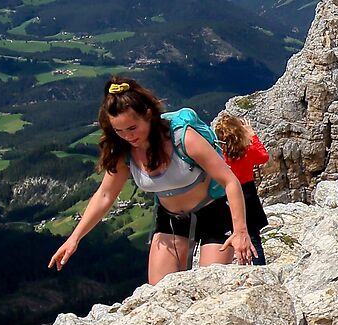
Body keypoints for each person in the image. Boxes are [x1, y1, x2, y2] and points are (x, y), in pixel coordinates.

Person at [49, 77, 254, 285]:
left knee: (210, 288)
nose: (127, 136)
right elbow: (105, 195)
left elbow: (229, 181)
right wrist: (74, 239)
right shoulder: (123, 152)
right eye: (118, 131)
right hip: (170, 222)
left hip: (214, 216)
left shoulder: (183, 138)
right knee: (161, 293)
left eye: (132, 128)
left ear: (148, 114)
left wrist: (240, 232)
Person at [212, 111, 270, 266]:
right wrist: (252, 136)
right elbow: (264, 157)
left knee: (230, 234)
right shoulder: (247, 151)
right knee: (254, 239)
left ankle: (239, 264)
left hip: (227, 198)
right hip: (248, 195)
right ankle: (259, 268)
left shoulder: (220, 155)